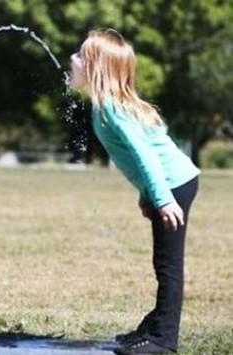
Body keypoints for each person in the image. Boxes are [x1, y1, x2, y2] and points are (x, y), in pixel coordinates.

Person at [68, 29, 200, 355]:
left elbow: (146, 156)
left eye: (81, 56)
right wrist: (147, 195)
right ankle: (153, 328)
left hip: (173, 186)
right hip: (168, 185)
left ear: (95, 68)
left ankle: (164, 340)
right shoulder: (106, 106)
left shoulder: (111, 108)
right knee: (163, 262)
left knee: (168, 265)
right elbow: (144, 154)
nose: (73, 59)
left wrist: (162, 198)